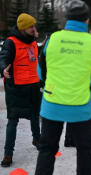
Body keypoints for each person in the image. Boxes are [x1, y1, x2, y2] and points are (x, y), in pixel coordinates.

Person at [34, 1, 91, 174]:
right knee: (85, 150)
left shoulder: (52, 39)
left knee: (47, 150)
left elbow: (40, 72)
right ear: (86, 20)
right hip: (79, 107)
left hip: (52, 104)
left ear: (67, 18)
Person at [0, 13, 41, 167]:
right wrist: (4, 68)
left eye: (34, 26)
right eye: (31, 26)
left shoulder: (33, 42)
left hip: (33, 85)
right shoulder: (10, 42)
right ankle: (8, 154)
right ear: (23, 28)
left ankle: (37, 139)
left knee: (35, 115)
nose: (33, 29)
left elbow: (36, 60)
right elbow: (3, 57)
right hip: (16, 88)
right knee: (12, 121)